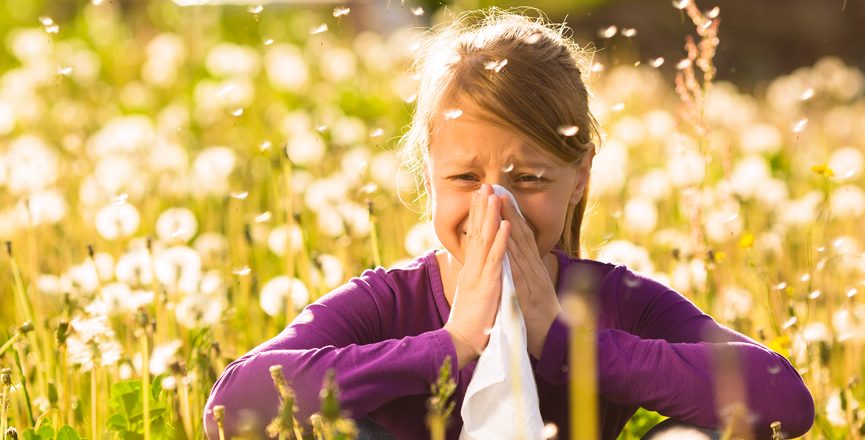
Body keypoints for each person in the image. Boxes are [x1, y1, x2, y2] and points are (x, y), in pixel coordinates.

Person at [205, 8, 815, 440]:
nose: (494, 208)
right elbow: (233, 409)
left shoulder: (612, 300)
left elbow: (782, 400)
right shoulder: (387, 302)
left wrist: (565, 340)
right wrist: (450, 347)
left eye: (527, 180)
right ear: (429, 173)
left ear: (579, 177)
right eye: (465, 178)